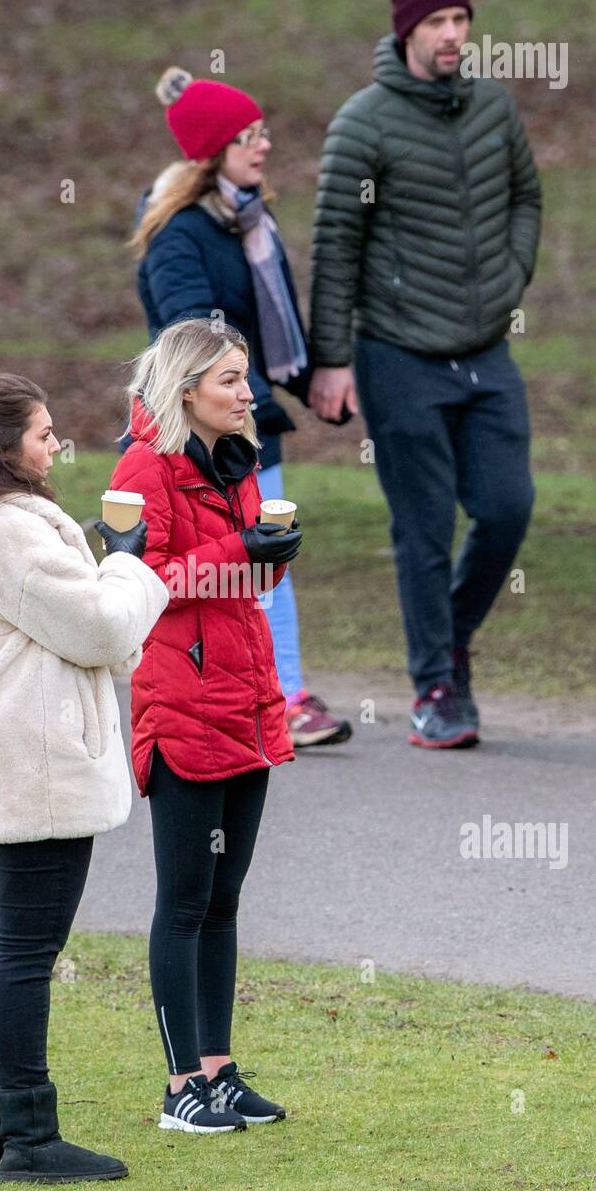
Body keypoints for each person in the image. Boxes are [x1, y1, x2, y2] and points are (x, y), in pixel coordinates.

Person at [0, 372, 169, 1184]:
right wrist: (125, 564)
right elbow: (100, 627)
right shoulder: (5, 529)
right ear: (1, 444)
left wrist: (89, 565)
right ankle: (32, 1141)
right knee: (22, 957)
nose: (56, 446)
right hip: (35, 766)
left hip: (4, 763)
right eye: (43, 434)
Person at [308, 0, 541, 748]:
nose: (452, 35)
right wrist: (330, 361)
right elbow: (334, 244)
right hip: (398, 352)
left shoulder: (493, 108)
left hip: (483, 350)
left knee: (508, 507)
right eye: (438, 22)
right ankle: (436, 685)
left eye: (461, 21)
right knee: (424, 525)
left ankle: (451, 636)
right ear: (407, 29)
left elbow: (526, 197)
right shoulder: (362, 123)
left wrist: (512, 277)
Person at [122, 63, 352, 749]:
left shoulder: (252, 219)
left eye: (263, 132)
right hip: (200, 431)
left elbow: (275, 314)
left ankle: (283, 695)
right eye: (248, 136)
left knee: (268, 559)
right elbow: (190, 340)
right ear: (214, 152)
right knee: (231, 567)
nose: (264, 145)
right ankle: (259, 699)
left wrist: (312, 376)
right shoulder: (178, 236)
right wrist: (246, 391)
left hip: (248, 418)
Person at [109, 318, 301, 1132]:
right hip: (181, 703)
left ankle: (219, 1071)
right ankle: (179, 1084)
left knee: (225, 899)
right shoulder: (140, 468)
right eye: (229, 379)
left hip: (244, 697)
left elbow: (242, 570)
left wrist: (272, 550)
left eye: (245, 376)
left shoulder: (239, 458)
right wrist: (237, 548)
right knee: (183, 900)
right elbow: (132, 582)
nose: (246, 392)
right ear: (186, 388)